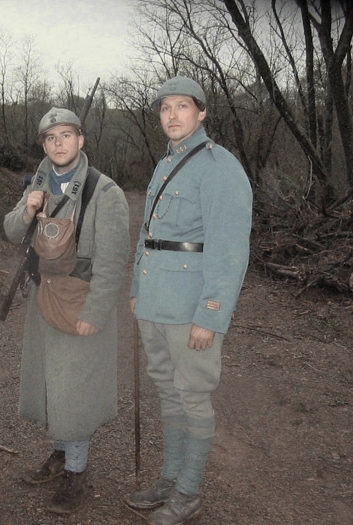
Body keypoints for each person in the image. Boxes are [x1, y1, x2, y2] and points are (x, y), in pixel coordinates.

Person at [126, 76, 252, 525]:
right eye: (165, 108)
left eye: (182, 107)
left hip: (190, 306)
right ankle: (170, 477)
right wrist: (138, 288)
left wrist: (210, 315)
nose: (172, 115)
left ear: (201, 113)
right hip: (156, 301)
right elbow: (148, 232)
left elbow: (230, 250)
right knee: (169, 393)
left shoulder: (220, 167)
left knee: (193, 396)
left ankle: (188, 492)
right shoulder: (166, 163)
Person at [3, 108, 130, 514]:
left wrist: (95, 312)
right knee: (51, 385)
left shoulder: (104, 192)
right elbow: (9, 230)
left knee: (75, 393)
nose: (58, 144)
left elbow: (112, 263)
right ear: (43, 144)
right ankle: (59, 456)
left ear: (81, 140)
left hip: (80, 302)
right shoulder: (38, 182)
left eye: (66, 135)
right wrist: (27, 209)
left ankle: (77, 473)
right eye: (50, 137)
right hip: (44, 300)